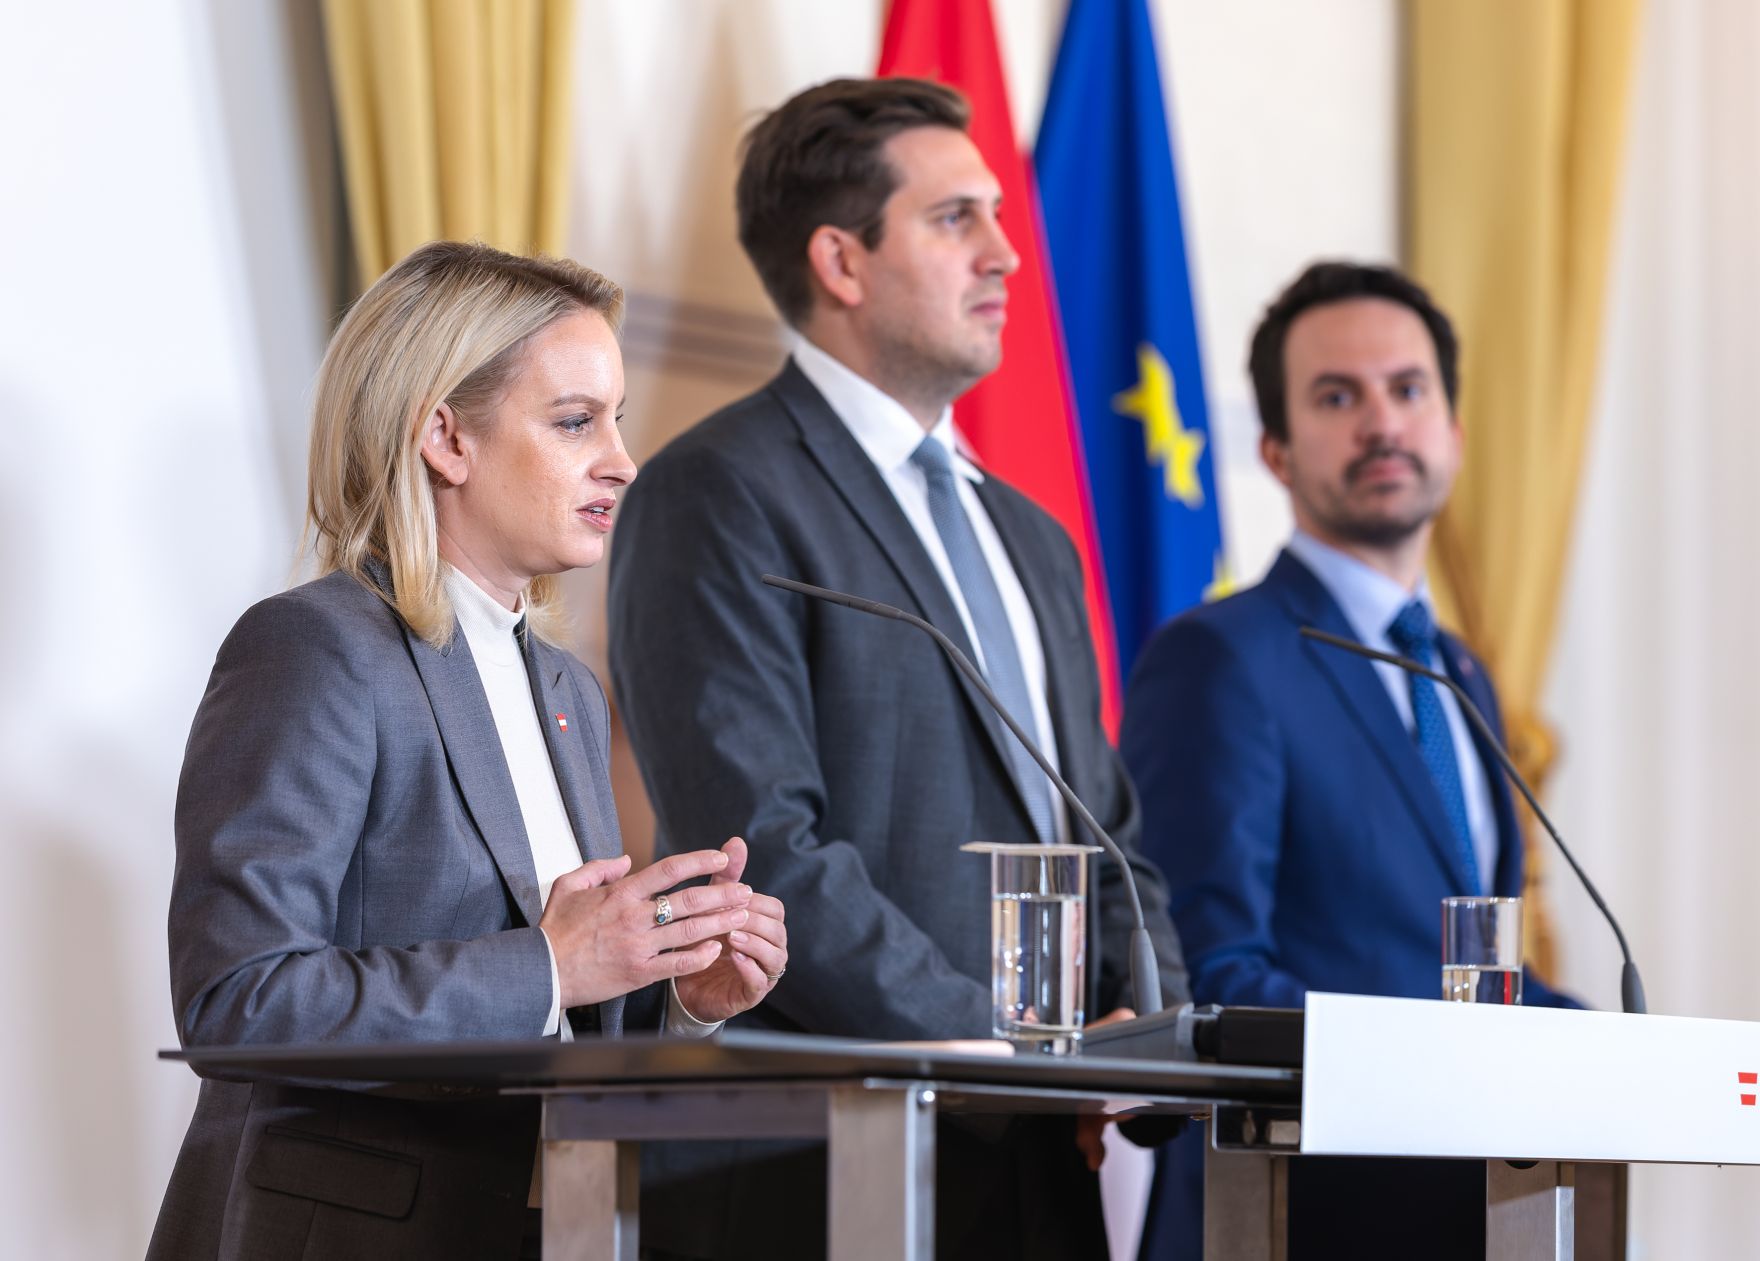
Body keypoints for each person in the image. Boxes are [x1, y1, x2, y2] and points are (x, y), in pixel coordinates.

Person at [606, 78, 1189, 1260]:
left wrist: (1145, 1047)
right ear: (840, 260)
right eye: (954, 217)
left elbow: (1110, 833)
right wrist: (1006, 1055)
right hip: (821, 1167)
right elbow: (763, 846)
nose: (1007, 253)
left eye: (998, 216)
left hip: (1038, 1169)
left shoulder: (1031, 535)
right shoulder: (719, 492)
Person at [148, 241, 788, 1261]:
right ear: (446, 436)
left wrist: (679, 994)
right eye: (576, 421)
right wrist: (551, 960)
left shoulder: (567, 689)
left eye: (614, 419)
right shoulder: (316, 648)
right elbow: (240, 1003)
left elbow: (559, 1027)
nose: (620, 457)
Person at [1123, 261, 1577, 1261]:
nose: (1381, 422)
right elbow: (1210, 976)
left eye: (1407, 390)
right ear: (1275, 450)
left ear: (1451, 435)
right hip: (1287, 1211)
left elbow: (1477, 977)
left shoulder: (1457, 669)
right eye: (1337, 396)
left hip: (1474, 1213)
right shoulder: (1218, 657)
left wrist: (1619, 1051)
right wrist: (1445, 1055)